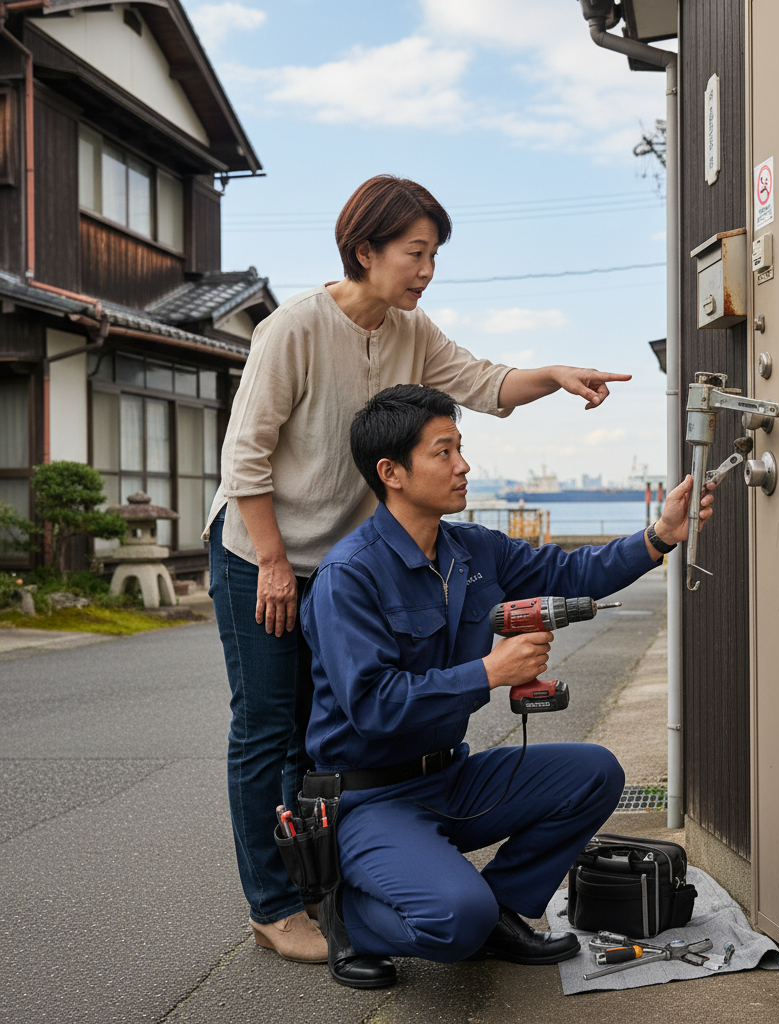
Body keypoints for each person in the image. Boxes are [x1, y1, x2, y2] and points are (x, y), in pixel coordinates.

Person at [205, 175, 634, 965]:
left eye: (434, 254)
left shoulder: (413, 328)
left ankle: (338, 874)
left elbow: (484, 382)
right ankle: (277, 904)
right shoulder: (293, 329)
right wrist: (271, 561)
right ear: (364, 250)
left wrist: (559, 376)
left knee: (325, 732)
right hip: (261, 548)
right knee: (270, 728)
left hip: (350, 554)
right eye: (415, 253)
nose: (427, 269)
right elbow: (245, 457)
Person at [300, 384, 715, 988]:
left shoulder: (471, 550)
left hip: (450, 777)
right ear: (391, 472)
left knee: (594, 772)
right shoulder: (348, 576)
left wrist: (659, 537)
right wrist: (492, 671)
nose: (464, 465)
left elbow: (572, 572)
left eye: (460, 448)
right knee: (452, 921)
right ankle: (347, 915)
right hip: (370, 798)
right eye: (444, 452)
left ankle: (497, 908)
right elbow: (373, 707)